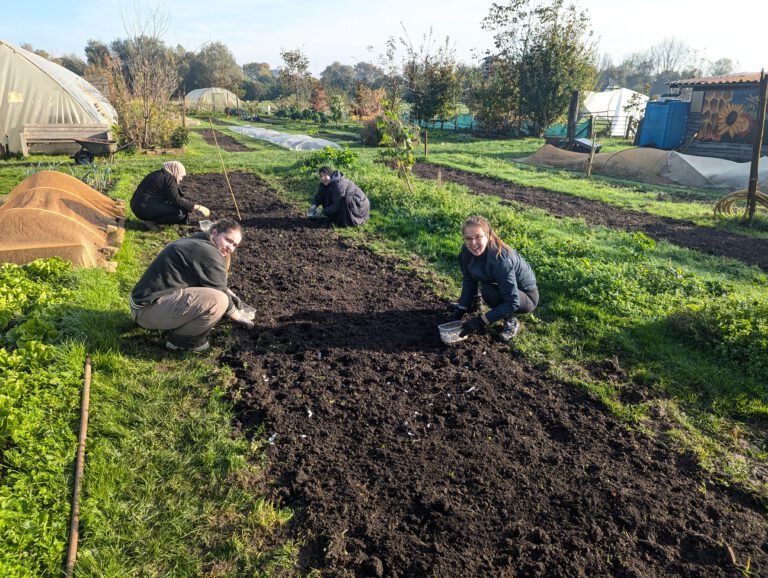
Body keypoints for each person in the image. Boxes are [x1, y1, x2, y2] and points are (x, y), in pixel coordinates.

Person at [129, 217, 253, 352]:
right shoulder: (209, 252)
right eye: (228, 240)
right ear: (215, 233)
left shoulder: (201, 240)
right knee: (219, 300)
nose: (231, 248)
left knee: (220, 296)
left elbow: (215, 283)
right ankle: (183, 342)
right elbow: (221, 292)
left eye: (235, 245)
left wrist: (232, 297)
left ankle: (175, 323)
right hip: (146, 311)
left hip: (144, 303)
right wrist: (240, 318)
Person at [450, 215, 539, 342]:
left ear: (488, 235)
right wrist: (461, 309)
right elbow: (469, 281)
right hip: (500, 285)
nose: (473, 243)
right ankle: (473, 304)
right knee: (487, 288)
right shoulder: (465, 253)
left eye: (478, 237)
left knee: (489, 291)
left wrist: (481, 321)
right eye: (468, 238)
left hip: (525, 296)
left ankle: (510, 320)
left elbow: (512, 302)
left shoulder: (500, 259)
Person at [130, 161, 210, 229]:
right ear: (175, 171)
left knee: (177, 208)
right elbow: (176, 201)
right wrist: (197, 207)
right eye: (181, 175)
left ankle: (149, 218)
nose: (181, 179)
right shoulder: (169, 180)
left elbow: (173, 198)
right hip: (143, 209)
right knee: (180, 213)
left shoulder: (158, 174)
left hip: (136, 205)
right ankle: (151, 221)